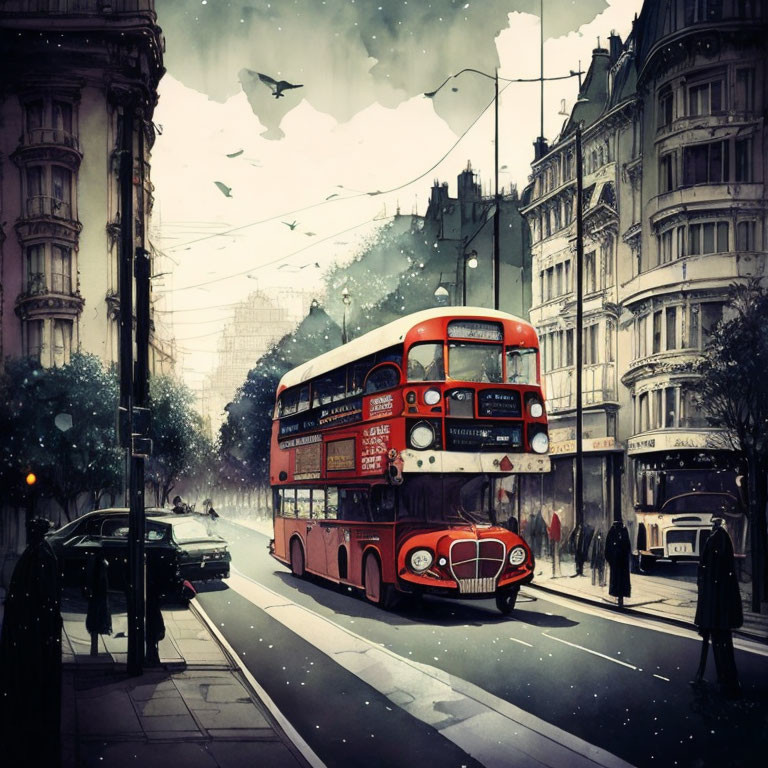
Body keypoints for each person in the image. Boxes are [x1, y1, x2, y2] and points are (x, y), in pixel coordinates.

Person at [0, 518, 62, 766]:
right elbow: (46, 598)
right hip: (35, 637)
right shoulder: (42, 556)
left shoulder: (32, 556)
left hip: (29, 635)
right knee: (37, 685)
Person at [692, 517, 743, 698]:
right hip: (718, 606)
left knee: (718, 642)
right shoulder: (722, 539)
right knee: (721, 642)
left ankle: (723, 680)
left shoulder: (716, 539)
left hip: (714, 606)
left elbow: (709, 572)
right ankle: (727, 680)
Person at [84, 550, 112, 656]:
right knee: (97, 620)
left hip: (98, 595)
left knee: (95, 621)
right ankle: (94, 649)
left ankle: (94, 649)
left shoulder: (95, 563)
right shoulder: (99, 565)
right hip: (99, 595)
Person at [605, 519, 631, 608]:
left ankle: (620, 598)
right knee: (619, 580)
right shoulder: (618, 532)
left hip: (619, 561)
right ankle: (619, 598)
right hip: (618, 561)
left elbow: (627, 546)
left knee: (619, 580)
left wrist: (609, 558)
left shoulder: (616, 532)